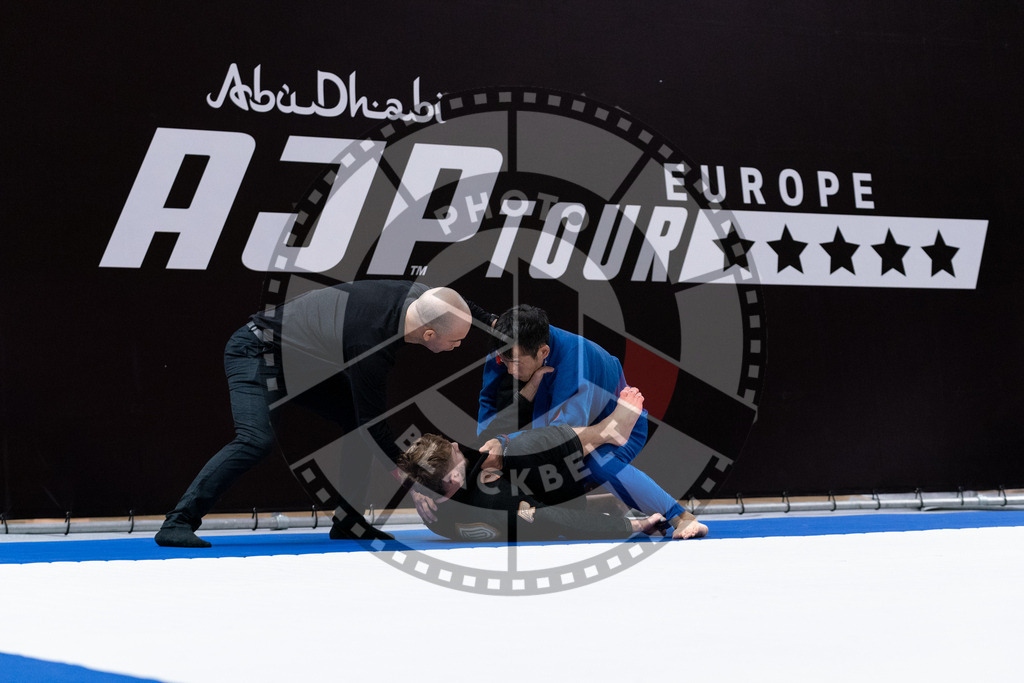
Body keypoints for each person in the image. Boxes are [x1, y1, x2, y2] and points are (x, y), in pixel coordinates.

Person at [155, 280, 489, 548]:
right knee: (256, 441)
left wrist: (494, 322)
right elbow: (374, 427)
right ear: (429, 335)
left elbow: (456, 304)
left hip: (300, 361)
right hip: (257, 352)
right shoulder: (371, 346)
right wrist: (413, 484)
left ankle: (349, 523)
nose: (459, 345)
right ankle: (178, 522)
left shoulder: (416, 296)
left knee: (353, 421)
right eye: (455, 341)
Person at [477, 305, 707, 540]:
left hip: (618, 427)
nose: (509, 369)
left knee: (597, 463)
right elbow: (488, 406)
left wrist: (504, 443)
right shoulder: (507, 342)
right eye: (504, 361)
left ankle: (681, 516)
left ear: (543, 351)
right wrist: (491, 440)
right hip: (561, 430)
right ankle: (607, 503)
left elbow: (562, 441)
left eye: (515, 362)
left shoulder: (575, 361)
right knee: (517, 469)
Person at [399, 387, 667, 542]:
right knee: (518, 449)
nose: (457, 446)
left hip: (524, 507)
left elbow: (419, 467)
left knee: (491, 448)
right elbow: (558, 521)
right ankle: (608, 431)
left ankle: (605, 503)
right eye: (454, 453)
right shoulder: (495, 499)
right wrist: (634, 526)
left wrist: (415, 488)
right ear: (453, 480)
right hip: (545, 508)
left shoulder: (433, 509)